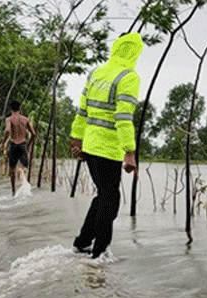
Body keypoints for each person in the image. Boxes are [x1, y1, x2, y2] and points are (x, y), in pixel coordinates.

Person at [70, 32, 144, 259]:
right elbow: (123, 117)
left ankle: (83, 242)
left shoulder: (97, 73)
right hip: (109, 149)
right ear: (135, 53)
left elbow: (82, 110)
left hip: (91, 146)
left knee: (104, 196)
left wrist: (76, 138)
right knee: (110, 200)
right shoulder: (129, 77)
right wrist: (130, 152)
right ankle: (100, 252)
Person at [0, 100, 36, 195]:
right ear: (20, 109)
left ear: (11, 109)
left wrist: (3, 143)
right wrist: (28, 145)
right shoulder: (25, 119)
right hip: (23, 145)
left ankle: (13, 192)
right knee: (24, 168)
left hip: (13, 145)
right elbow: (33, 134)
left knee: (12, 170)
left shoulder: (9, 119)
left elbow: (7, 131)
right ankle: (26, 188)